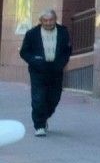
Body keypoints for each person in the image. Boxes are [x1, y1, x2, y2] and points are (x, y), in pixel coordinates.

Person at [19, 8, 72, 137]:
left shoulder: (63, 32)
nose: (48, 23)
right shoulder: (32, 34)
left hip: (56, 70)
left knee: (54, 98)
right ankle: (39, 125)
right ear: (41, 21)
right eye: (45, 20)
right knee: (38, 97)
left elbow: (67, 50)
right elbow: (24, 52)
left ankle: (44, 116)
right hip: (38, 71)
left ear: (55, 19)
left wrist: (61, 63)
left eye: (51, 20)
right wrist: (35, 61)